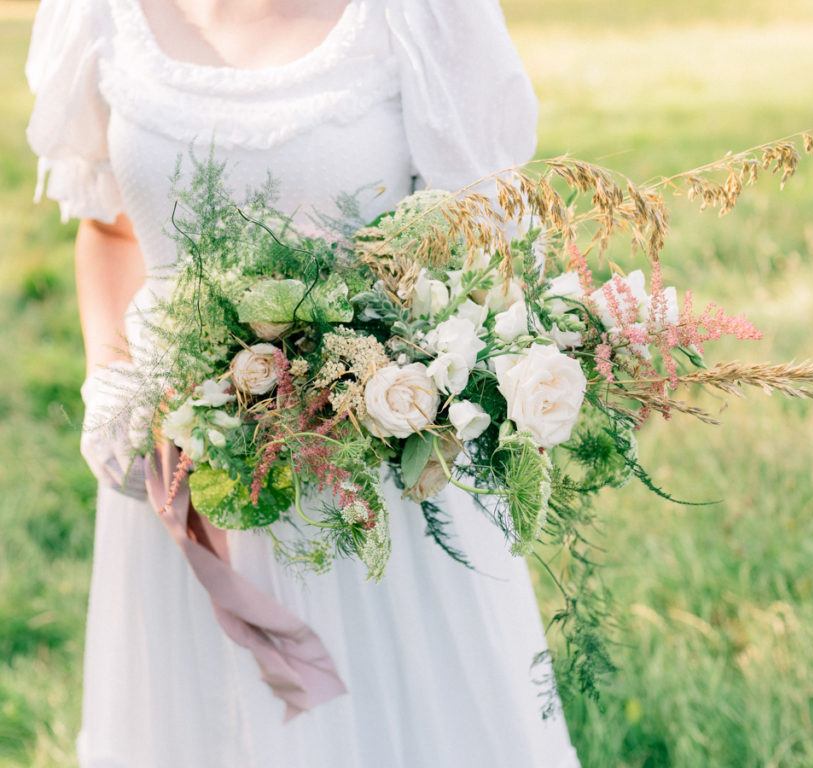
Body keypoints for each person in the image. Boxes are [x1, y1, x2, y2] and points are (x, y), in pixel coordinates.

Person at [25, 0, 581, 765]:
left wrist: (380, 378)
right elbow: (113, 227)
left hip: (371, 482)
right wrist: (109, 385)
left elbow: (488, 251)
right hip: (184, 469)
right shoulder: (98, 14)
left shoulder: (421, 16)